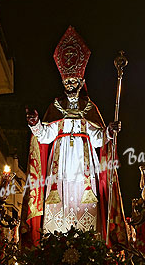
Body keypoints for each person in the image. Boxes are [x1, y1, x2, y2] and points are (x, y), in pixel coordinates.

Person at [20, 25, 128, 248]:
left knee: (84, 207)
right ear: (63, 83)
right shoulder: (56, 107)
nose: (70, 86)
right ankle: (54, 251)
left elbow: (99, 139)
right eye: (67, 83)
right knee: (58, 207)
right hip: (58, 172)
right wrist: (35, 124)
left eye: (73, 83)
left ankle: (89, 251)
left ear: (80, 83)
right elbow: (44, 136)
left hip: (84, 171)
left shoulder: (88, 107)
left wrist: (109, 131)